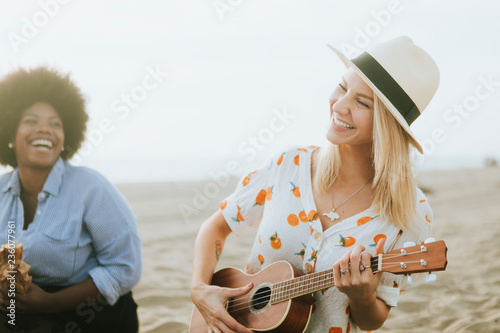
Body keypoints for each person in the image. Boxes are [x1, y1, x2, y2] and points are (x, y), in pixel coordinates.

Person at [190, 36, 440, 332]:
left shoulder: (409, 213)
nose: (340, 105)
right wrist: (199, 289)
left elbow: (373, 319)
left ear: (388, 127)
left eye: (362, 102)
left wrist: (361, 297)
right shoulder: (288, 165)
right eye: (343, 87)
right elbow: (217, 227)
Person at [0, 67, 142, 332]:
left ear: (66, 138)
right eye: (31, 121)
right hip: (22, 315)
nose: (45, 129)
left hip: (92, 316)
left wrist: (50, 303)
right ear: (10, 133)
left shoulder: (91, 188)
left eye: (56, 123)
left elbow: (125, 269)